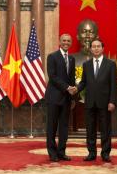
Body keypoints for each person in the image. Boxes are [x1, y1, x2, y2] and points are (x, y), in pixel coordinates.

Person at [77, 39, 117, 162]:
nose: (96, 48)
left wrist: (112, 101)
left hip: (105, 103)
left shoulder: (110, 64)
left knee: (105, 129)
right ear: (90, 49)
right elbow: (83, 82)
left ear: (102, 48)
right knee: (90, 129)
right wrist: (75, 89)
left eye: (98, 46)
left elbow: (113, 85)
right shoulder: (86, 64)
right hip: (90, 102)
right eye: (93, 46)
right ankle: (91, 153)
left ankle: (105, 153)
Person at [45, 34, 77, 162]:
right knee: (52, 127)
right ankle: (52, 153)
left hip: (67, 99)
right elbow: (52, 76)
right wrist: (67, 87)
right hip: (53, 97)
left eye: (68, 41)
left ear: (71, 43)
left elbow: (72, 79)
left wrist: (74, 97)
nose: (66, 42)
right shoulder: (52, 57)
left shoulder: (72, 59)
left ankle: (61, 152)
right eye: (64, 40)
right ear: (59, 42)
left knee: (64, 127)